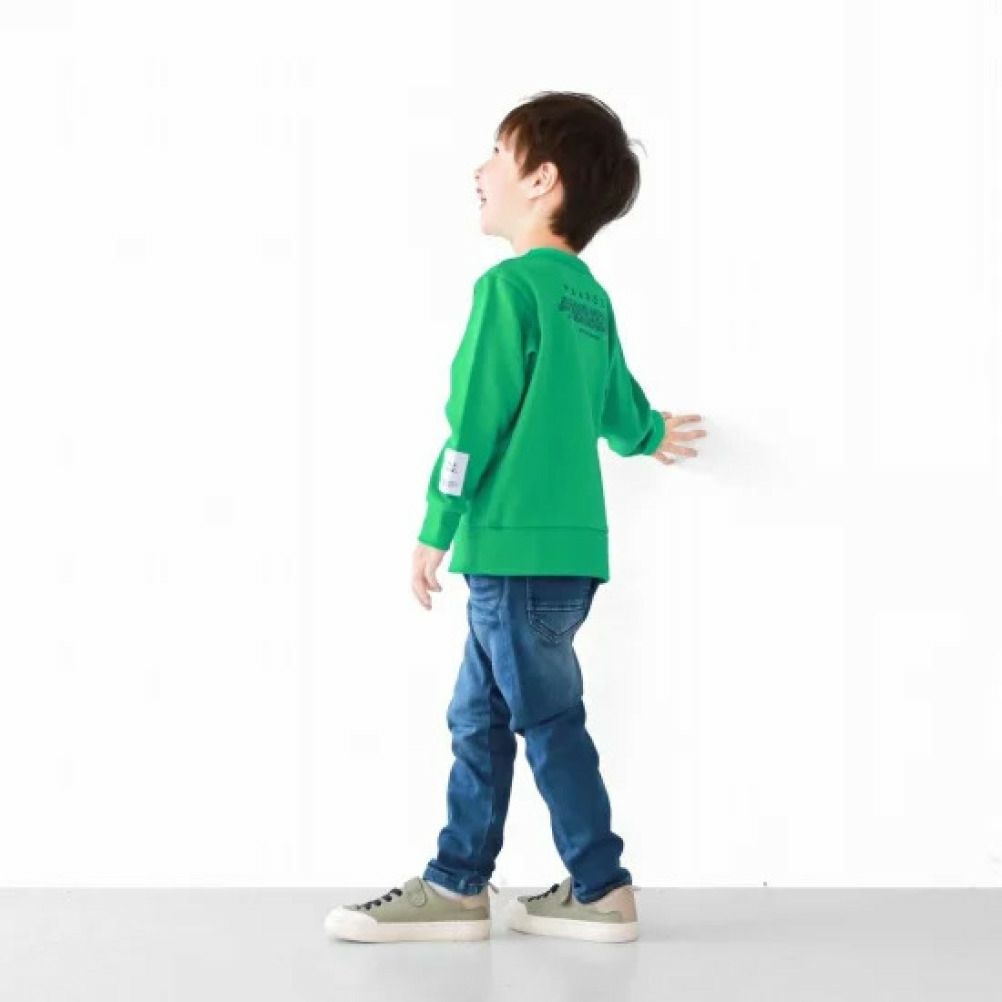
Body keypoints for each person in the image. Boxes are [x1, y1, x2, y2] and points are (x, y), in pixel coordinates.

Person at [324, 90, 706, 945]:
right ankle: (459, 883)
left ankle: (600, 884)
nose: (480, 169)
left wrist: (437, 523)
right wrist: (652, 435)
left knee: (543, 721)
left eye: (498, 153)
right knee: (483, 718)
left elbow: (474, 421)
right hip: (568, 557)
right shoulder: (587, 298)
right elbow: (619, 407)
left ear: (542, 180)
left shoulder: (508, 288)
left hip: (509, 552)